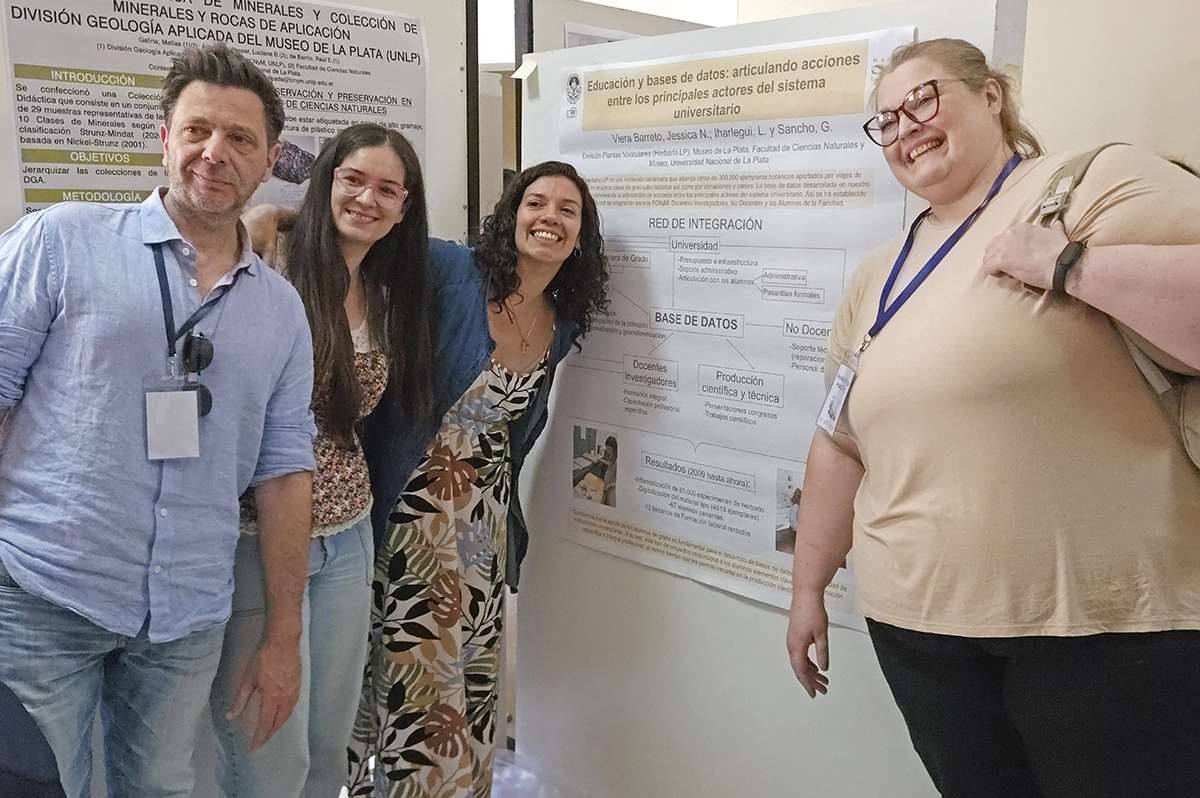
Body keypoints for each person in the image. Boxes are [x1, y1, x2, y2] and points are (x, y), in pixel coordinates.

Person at [786, 37, 1200, 798]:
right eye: (887, 120)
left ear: (991, 95)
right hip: (920, 634)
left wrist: (1069, 265)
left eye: (923, 100)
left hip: (1102, 633)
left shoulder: (1088, 184)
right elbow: (839, 440)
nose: (906, 128)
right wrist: (807, 587)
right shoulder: (880, 271)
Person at [0, 44, 316, 798]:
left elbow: (284, 473)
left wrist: (283, 636)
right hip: (45, 592)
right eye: (198, 130)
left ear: (270, 158)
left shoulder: (281, 309)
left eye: (240, 138)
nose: (215, 152)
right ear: (165, 138)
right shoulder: (62, 240)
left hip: (186, 613)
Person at [348, 161, 609, 797]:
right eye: (536, 202)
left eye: (567, 210)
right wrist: (268, 220)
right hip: (415, 510)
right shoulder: (454, 270)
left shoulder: (561, 322)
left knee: (470, 672)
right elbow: (371, 239)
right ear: (512, 213)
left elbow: (513, 433)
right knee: (414, 670)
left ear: (580, 236)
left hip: (485, 522)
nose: (549, 217)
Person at [210, 123, 435, 797]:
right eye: (353, 180)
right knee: (266, 748)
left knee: (327, 745)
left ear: (404, 207)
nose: (367, 199)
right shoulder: (266, 265)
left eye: (387, 189)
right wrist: (266, 217)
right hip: (258, 538)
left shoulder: (387, 294)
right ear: (326, 182)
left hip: (348, 536)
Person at [600, 435, 618, 507]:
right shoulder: (612, 456)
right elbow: (611, 465)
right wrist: (602, 461)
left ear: (614, 448)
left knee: (610, 504)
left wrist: (609, 486)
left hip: (611, 488)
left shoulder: (618, 460)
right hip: (607, 484)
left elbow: (618, 481)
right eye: (606, 448)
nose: (607, 451)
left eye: (609, 449)